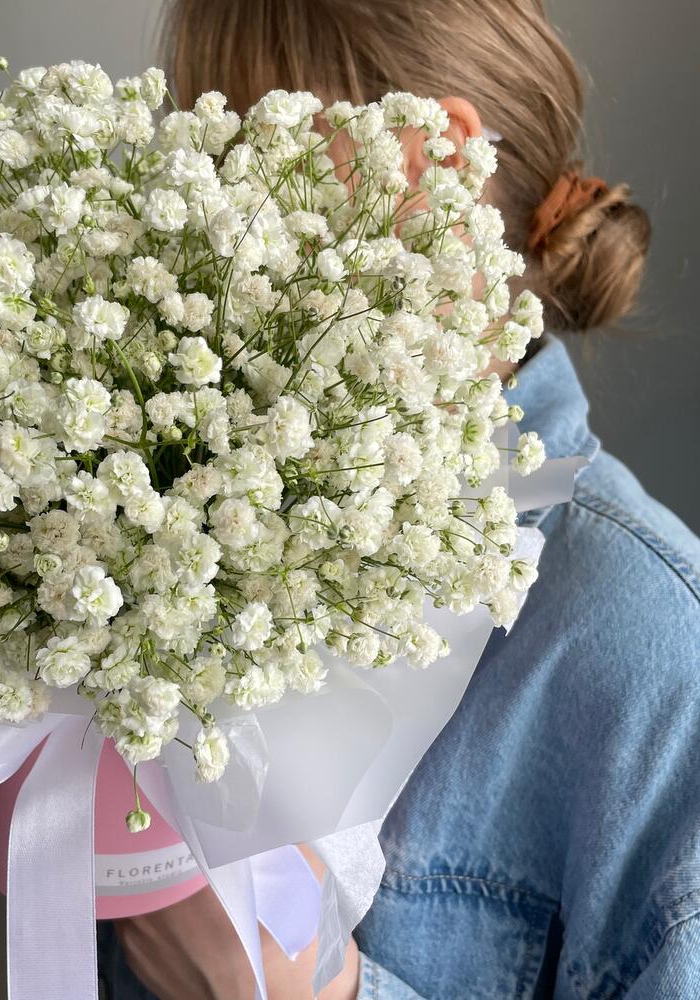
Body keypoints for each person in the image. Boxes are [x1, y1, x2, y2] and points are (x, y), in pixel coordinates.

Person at [96, 1, 700, 997]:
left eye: (242, 154)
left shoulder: (651, 648)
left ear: (429, 164)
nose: (199, 216)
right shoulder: (191, 546)